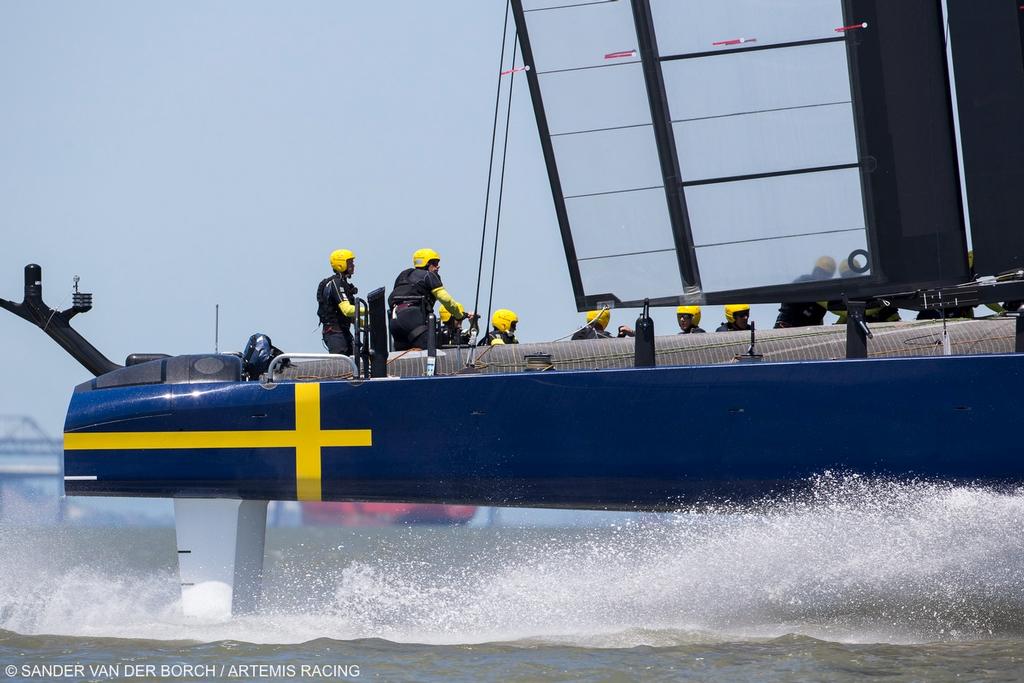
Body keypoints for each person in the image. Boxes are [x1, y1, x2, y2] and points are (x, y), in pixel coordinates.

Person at [388, 248, 467, 351]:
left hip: (394, 322)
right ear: (427, 264)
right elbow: (446, 300)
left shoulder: (403, 275)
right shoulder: (429, 276)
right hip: (412, 319)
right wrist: (459, 315)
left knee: (403, 360)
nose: (438, 266)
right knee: (430, 350)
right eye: (434, 263)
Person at [316, 248, 359, 355]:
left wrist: (368, 324)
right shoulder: (336, 283)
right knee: (341, 366)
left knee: (354, 365)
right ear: (341, 265)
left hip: (343, 332)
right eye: (350, 263)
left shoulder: (343, 284)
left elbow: (351, 317)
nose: (353, 266)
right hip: (335, 334)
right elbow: (347, 310)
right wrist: (370, 310)